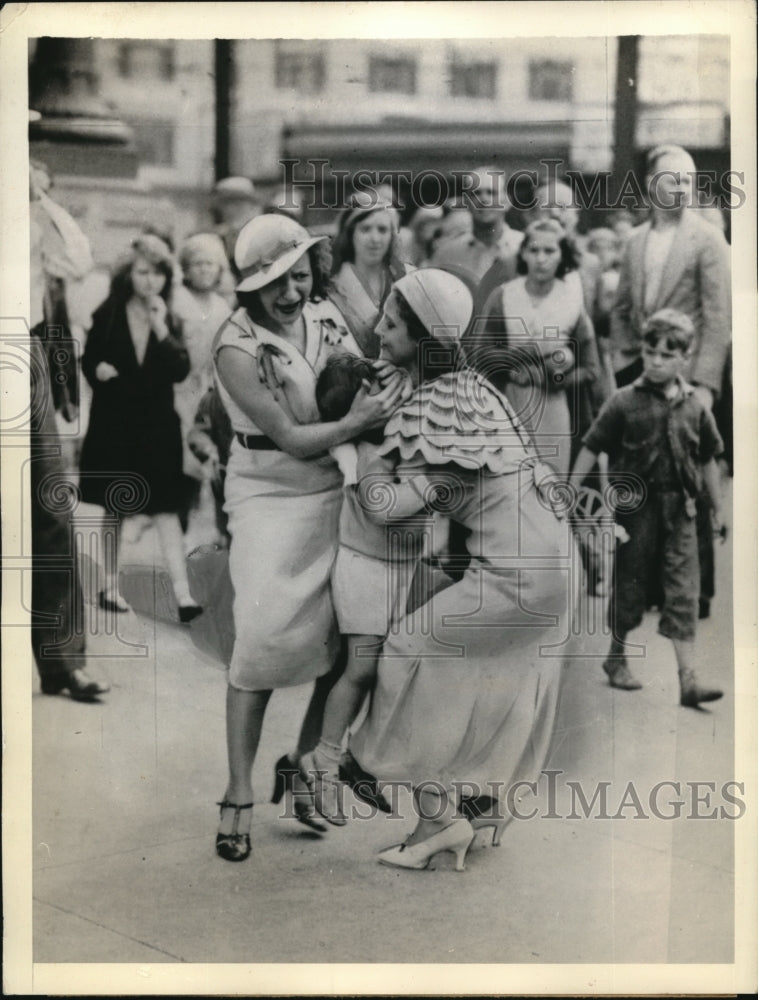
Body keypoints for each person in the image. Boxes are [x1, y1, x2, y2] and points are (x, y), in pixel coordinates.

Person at [308, 268, 573, 872]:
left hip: (519, 571)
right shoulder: (466, 388)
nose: (378, 326)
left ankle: (429, 818)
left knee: (408, 650)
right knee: (490, 674)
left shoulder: (443, 404)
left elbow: (387, 511)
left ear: (425, 339)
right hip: (549, 557)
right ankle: (475, 814)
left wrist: (364, 454)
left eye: (393, 323)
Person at [212, 214, 408, 862]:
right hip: (267, 491)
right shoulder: (235, 347)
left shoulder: (323, 313)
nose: (291, 292)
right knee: (262, 643)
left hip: (333, 483)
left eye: (298, 275)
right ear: (249, 287)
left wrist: (367, 383)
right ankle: (238, 792)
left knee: (343, 634)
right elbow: (291, 435)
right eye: (274, 283)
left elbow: (348, 375)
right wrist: (356, 419)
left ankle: (299, 765)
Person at [572, 309, 725, 707]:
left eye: (667, 354)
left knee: (683, 592)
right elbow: (593, 444)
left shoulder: (696, 407)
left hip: (682, 513)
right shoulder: (623, 402)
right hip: (635, 513)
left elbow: (708, 457)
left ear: (685, 358)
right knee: (630, 585)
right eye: (650, 351)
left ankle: (687, 679)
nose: (656, 360)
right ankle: (616, 656)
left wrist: (717, 509)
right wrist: (571, 492)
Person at [610, 143, 731, 620]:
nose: (679, 187)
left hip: (688, 379)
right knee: (647, 475)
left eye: (687, 180)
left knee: (689, 483)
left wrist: (705, 383)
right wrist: (628, 364)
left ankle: (694, 592)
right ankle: (650, 587)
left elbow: (718, 317)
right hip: (646, 372)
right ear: (650, 185)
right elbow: (621, 309)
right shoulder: (635, 240)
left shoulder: (708, 239)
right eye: (670, 179)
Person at [300, 353, 420, 825]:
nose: (393, 402)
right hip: (367, 568)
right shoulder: (367, 454)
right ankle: (325, 760)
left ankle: (349, 756)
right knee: (362, 666)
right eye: (379, 396)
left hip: (392, 569)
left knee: (381, 667)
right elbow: (383, 512)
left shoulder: (384, 444)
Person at [79, 234, 201, 622]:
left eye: (158, 274)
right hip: (115, 423)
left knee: (166, 509)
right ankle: (110, 586)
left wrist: (161, 327)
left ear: (168, 278)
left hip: (156, 427)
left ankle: (182, 594)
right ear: (128, 274)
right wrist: (97, 370)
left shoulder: (170, 317)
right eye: (143, 272)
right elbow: (90, 358)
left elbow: (180, 368)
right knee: (115, 506)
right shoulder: (109, 312)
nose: (150, 281)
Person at [29, 160, 109, 702]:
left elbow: (78, 261)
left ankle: (62, 662)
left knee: (52, 507)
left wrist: (41, 198)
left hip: (21, 351)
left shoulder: (34, 215)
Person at [479, 219, 604, 479]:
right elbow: (482, 354)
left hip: (554, 407)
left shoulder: (571, 301)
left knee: (550, 483)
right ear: (523, 253)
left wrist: (558, 378)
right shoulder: (504, 295)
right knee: (509, 482)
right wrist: (524, 356)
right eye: (534, 250)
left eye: (550, 251)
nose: (541, 259)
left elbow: (591, 368)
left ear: (562, 255)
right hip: (509, 401)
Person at [172, 233, 232, 543]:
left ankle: (216, 531)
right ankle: (180, 524)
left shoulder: (222, 304)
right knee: (183, 458)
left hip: (211, 389)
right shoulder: (177, 301)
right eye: (198, 264)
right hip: (179, 389)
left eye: (210, 263)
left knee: (212, 454)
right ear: (186, 268)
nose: (205, 270)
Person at [328, 192, 408, 359]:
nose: (375, 239)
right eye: (365, 229)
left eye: (382, 230)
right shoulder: (331, 284)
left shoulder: (407, 277)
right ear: (350, 234)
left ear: (392, 235)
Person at [430, 166, 522, 310]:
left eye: (491, 193)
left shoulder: (524, 247)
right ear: (466, 202)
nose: (484, 199)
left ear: (507, 201)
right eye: (476, 193)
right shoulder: (446, 254)